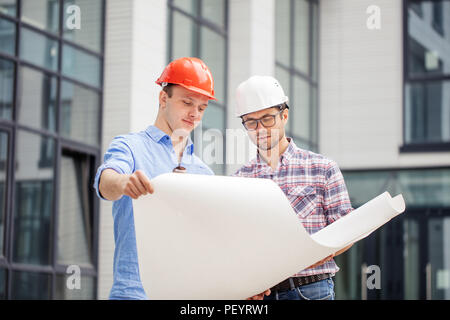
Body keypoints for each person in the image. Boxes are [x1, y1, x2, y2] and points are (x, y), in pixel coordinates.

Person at [93, 57, 217, 300]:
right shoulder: (130, 146)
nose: (195, 114)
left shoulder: (204, 173)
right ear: (163, 99)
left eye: (202, 108)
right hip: (135, 294)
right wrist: (123, 183)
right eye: (187, 103)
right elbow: (105, 182)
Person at [234, 75, 354, 300]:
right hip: (261, 293)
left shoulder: (322, 168)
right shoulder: (240, 179)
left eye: (267, 118)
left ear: (284, 116)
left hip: (310, 290)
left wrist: (318, 254)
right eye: (251, 122)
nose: (260, 128)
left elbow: (348, 230)